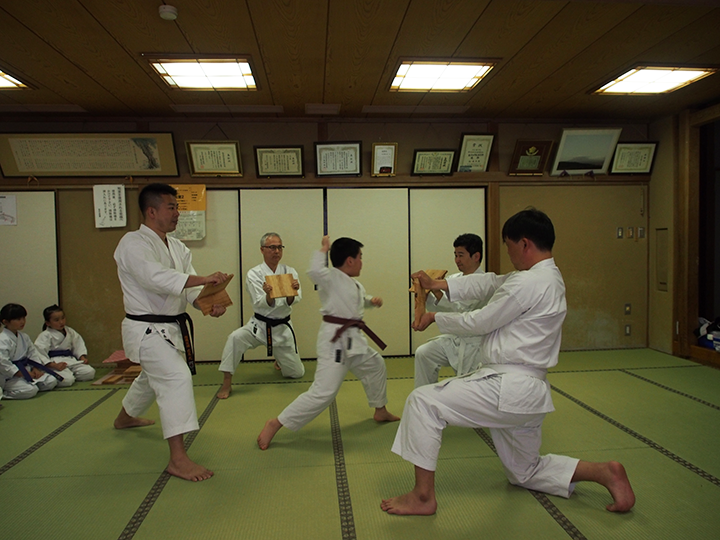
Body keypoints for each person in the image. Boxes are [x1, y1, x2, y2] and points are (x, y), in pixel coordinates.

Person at [381, 209, 635, 516]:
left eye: (509, 246)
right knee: (524, 472)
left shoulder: (529, 282)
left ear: (524, 243)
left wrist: (435, 317)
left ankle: (423, 497)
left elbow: (482, 320)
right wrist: (440, 285)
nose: (508, 253)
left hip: (507, 387)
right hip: (528, 394)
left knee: (422, 401)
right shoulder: (546, 277)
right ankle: (604, 472)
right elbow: (490, 283)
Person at [112, 183, 229, 482]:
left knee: (151, 378)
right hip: (146, 329)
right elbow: (155, 278)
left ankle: (124, 418)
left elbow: (186, 290)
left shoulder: (178, 247)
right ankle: (178, 459)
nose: (178, 213)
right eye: (172, 207)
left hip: (171, 327)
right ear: (151, 211)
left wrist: (207, 304)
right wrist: (202, 279)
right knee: (175, 377)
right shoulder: (132, 243)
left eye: (177, 207)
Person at [258, 236, 399, 449]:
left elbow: (356, 302)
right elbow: (314, 271)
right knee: (323, 393)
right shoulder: (331, 277)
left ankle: (380, 410)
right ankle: (276, 423)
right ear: (350, 260)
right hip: (336, 343)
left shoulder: (353, 284)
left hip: (354, 342)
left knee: (375, 364)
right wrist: (323, 249)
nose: (362, 262)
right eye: (360, 257)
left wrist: (371, 301)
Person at [217, 232, 304, 399]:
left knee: (296, 373)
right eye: (272, 247)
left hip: (282, 328)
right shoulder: (254, 273)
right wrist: (269, 296)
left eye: (279, 247)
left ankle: (279, 359)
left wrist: (292, 292)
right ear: (262, 250)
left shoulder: (290, 271)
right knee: (235, 338)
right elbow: (260, 302)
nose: (276, 251)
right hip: (258, 326)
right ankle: (227, 382)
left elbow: (294, 300)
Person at [414, 233, 492, 388]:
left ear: (476, 256)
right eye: (455, 255)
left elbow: (461, 311)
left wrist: (436, 290)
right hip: (454, 338)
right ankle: (423, 396)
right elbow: (436, 306)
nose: (457, 260)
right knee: (424, 353)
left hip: (475, 342)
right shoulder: (453, 278)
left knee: (468, 385)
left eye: (461, 255)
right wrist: (423, 292)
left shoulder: (485, 283)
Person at [0, 303, 60, 399]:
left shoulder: (24, 337)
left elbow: (32, 353)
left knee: (51, 381)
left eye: (23, 318)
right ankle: (5, 394)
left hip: (26, 369)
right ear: (5, 322)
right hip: (10, 376)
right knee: (30, 390)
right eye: (18, 319)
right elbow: (3, 363)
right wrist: (22, 373)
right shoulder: (2, 339)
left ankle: (30, 384)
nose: (22, 321)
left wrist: (35, 368)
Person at [34, 304, 96, 386]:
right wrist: (53, 365)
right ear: (48, 323)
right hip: (55, 363)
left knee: (89, 372)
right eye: (56, 320)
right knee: (67, 380)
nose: (61, 322)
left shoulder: (69, 331)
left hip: (70, 360)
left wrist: (82, 357)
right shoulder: (45, 335)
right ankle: (64, 375)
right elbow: (39, 352)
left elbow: (78, 344)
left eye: (63, 318)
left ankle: (70, 374)